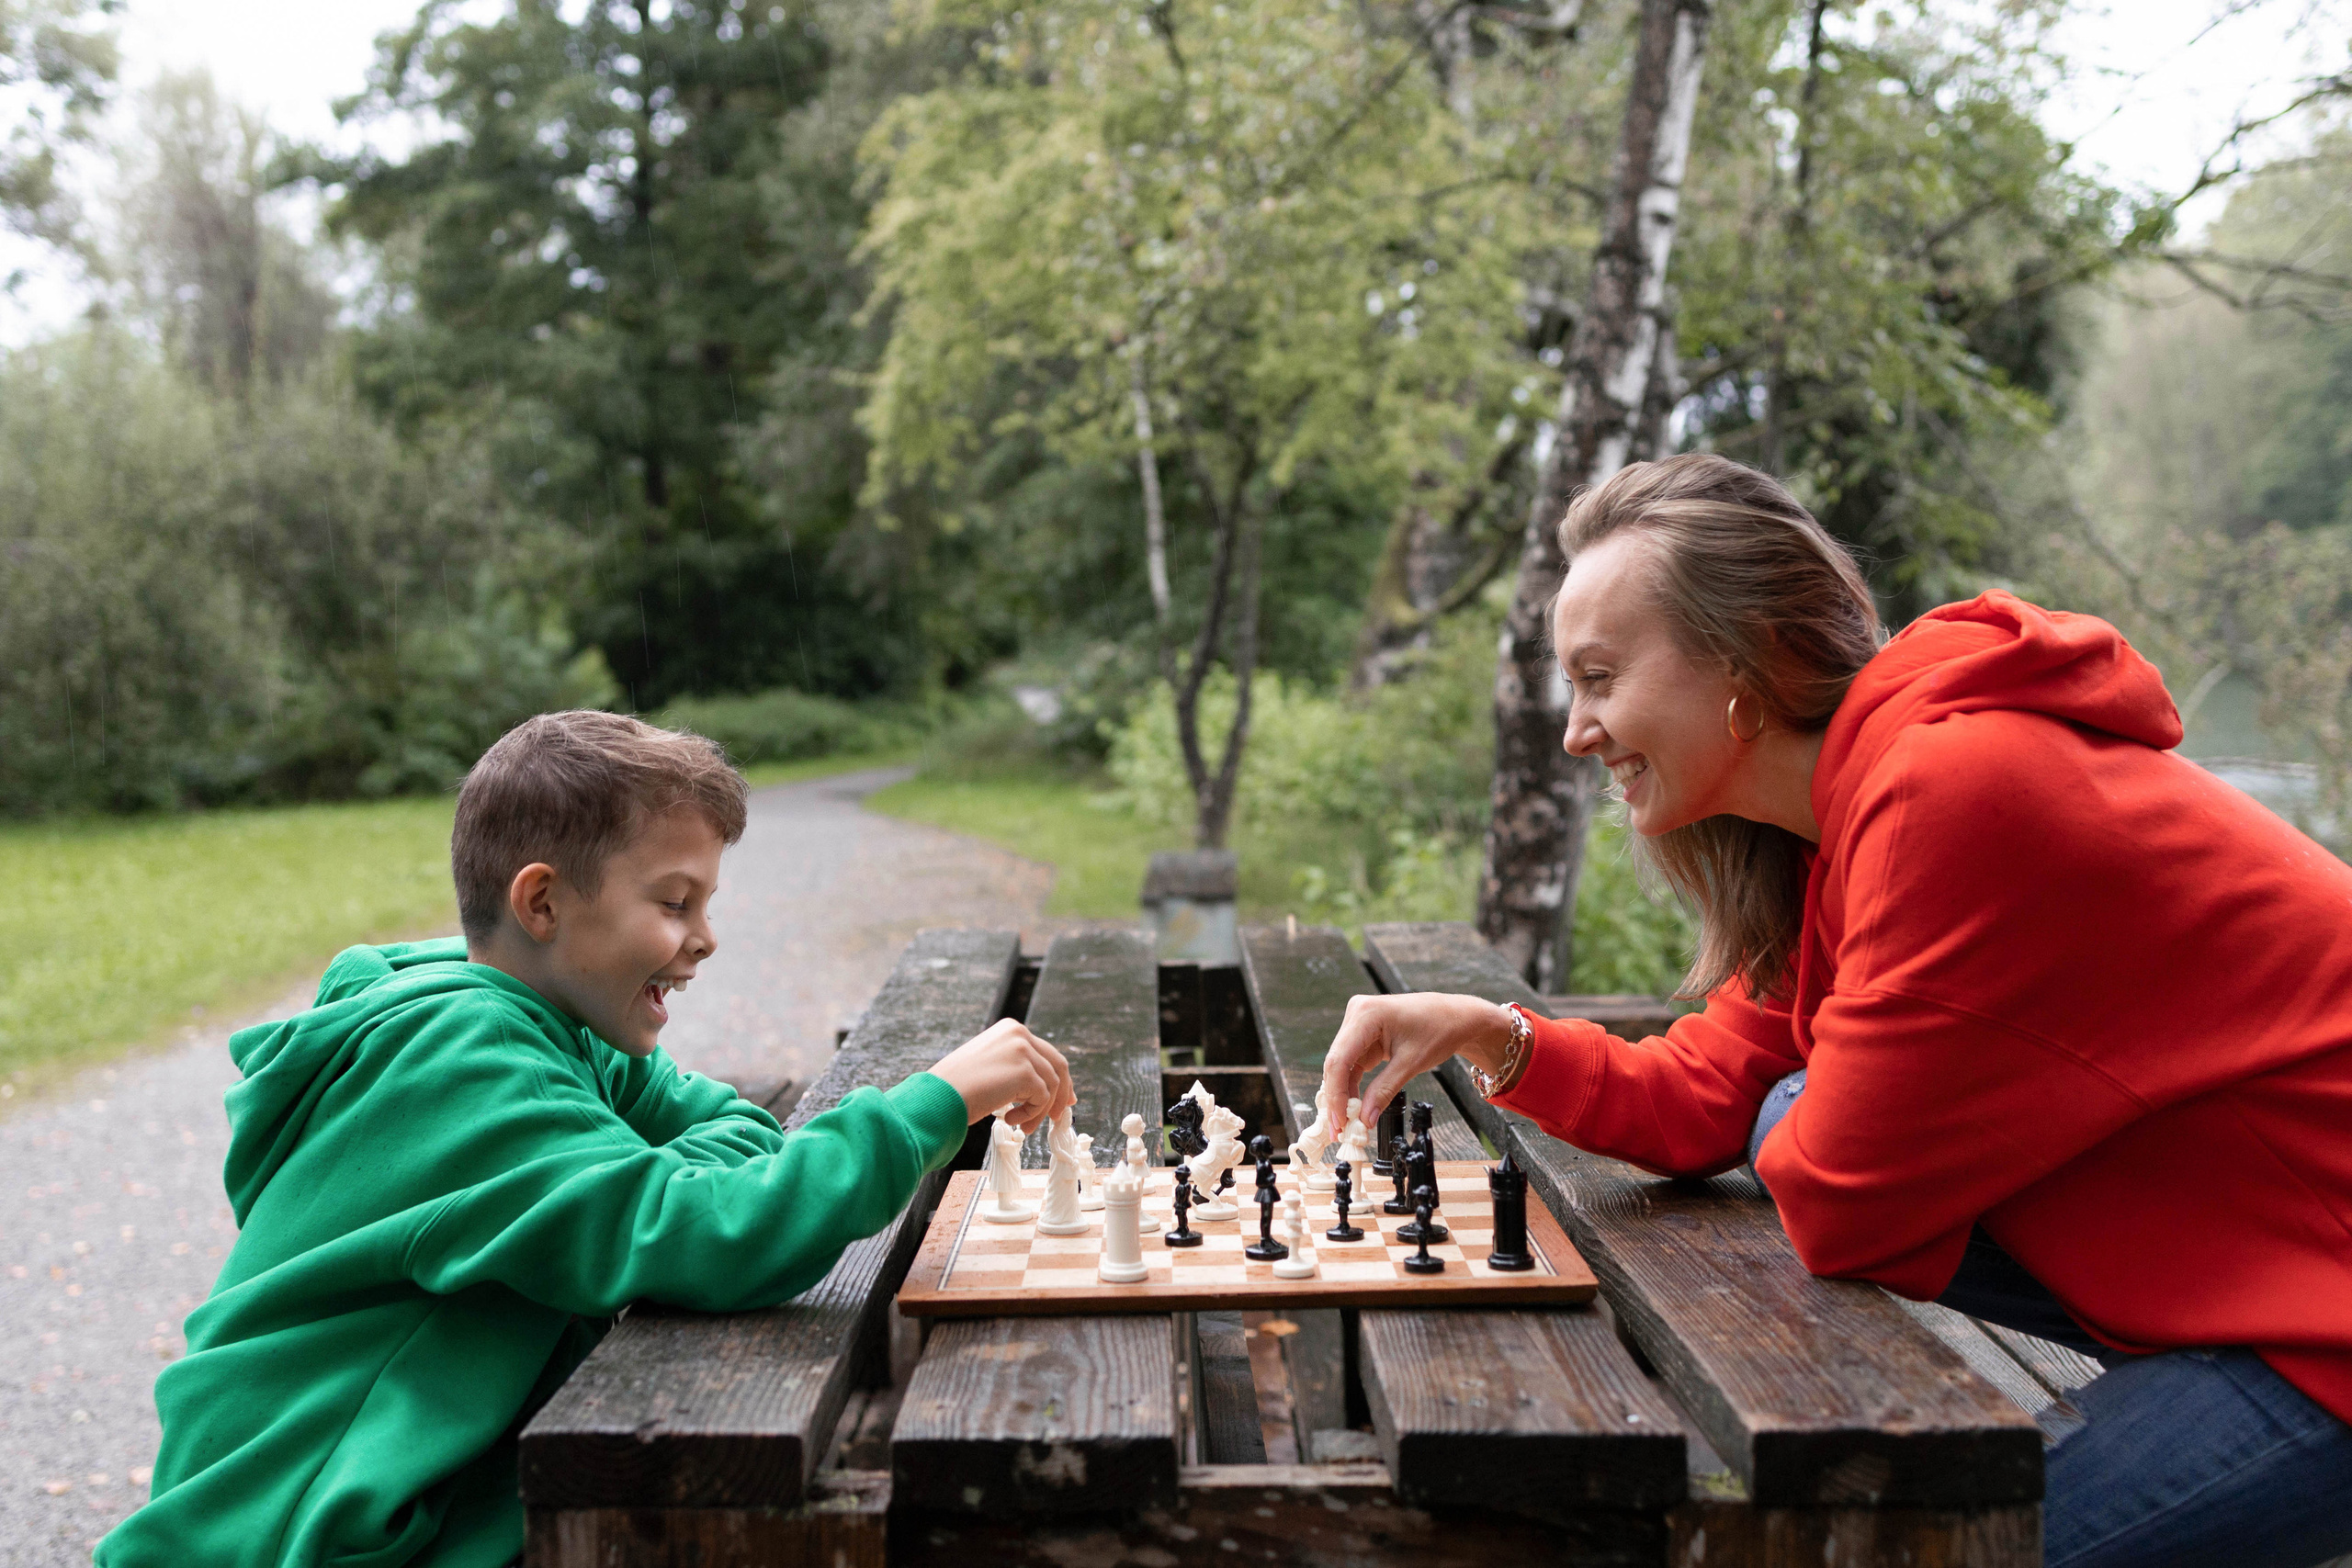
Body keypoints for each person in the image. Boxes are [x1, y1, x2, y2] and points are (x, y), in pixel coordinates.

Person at [1320, 454, 2352, 1568]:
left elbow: (1839, 1203)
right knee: (1787, 1113)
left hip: (2321, 1325)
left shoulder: (1947, 792)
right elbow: (1708, 1092)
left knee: (1903, 1540)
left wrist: (1811, 1107)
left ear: (1752, 661)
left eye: (1601, 677)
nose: (1577, 731)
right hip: (2243, 1283)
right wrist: (1493, 1033)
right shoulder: (1841, 824)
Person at [98, 710, 1074, 1568]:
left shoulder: (550, 1021)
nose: (705, 938)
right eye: (674, 902)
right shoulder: (462, 1060)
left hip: (402, 1491)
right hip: (299, 1532)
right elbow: (708, 1234)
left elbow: (727, 1128)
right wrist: (930, 1103)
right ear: (542, 904)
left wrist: (654, 1183)